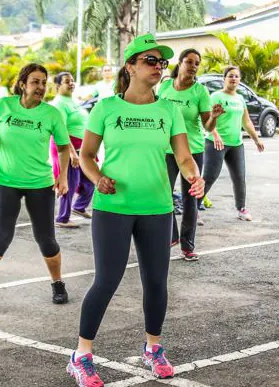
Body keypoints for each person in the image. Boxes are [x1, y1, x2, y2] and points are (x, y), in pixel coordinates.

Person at [66, 35, 205, 386]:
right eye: (150, 61)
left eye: (162, 63)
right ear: (130, 66)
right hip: (113, 207)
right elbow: (86, 155)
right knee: (106, 280)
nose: (158, 67)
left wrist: (194, 177)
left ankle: (153, 349)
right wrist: (97, 179)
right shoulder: (106, 108)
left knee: (156, 282)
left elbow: (184, 156)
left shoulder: (168, 110)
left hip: (157, 207)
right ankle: (81, 355)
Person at [0, 63, 71, 313]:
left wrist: (63, 178)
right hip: (5, 180)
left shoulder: (51, 114)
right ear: (22, 84)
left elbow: (62, 148)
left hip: (40, 182)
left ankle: (57, 283)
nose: (40, 87)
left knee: (46, 239)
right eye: (35, 82)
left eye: (43, 82)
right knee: (0, 237)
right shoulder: (4, 106)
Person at [157, 49, 225, 261]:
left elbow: (206, 124)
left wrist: (213, 117)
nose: (193, 66)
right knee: (162, 195)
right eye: (189, 61)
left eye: (197, 63)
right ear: (180, 63)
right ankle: (172, 235)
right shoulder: (165, 86)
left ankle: (188, 245)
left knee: (190, 199)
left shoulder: (200, 92)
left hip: (192, 150)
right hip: (166, 150)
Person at [203, 66, 265, 222]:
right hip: (215, 143)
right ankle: (193, 208)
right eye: (230, 76)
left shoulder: (240, 99)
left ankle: (241, 208)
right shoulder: (216, 96)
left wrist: (256, 139)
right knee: (210, 177)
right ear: (224, 78)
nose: (234, 79)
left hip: (236, 144)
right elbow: (207, 120)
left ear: (239, 80)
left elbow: (247, 121)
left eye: (237, 76)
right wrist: (215, 135)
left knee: (239, 177)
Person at [49, 72, 89, 229]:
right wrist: (71, 153)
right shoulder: (59, 103)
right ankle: (62, 218)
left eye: (72, 81)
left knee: (88, 182)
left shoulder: (73, 101)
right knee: (69, 182)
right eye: (67, 81)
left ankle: (79, 207)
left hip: (81, 147)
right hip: (67, 147)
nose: (71, 83)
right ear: (58, 86)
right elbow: (62, 130)